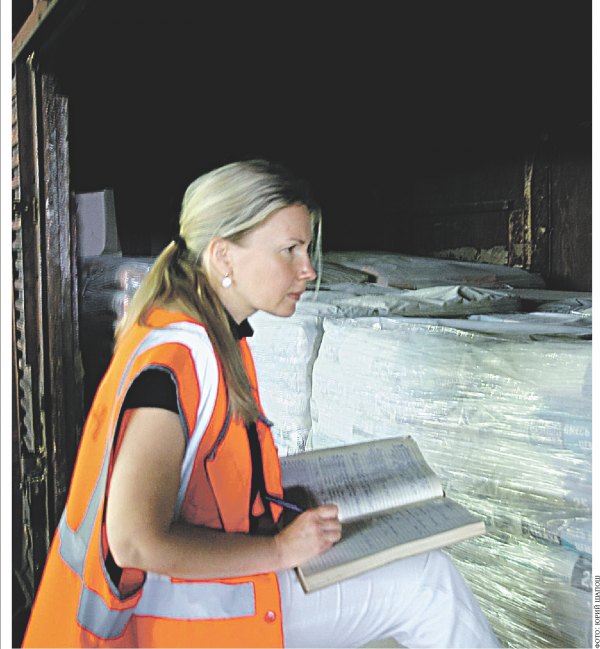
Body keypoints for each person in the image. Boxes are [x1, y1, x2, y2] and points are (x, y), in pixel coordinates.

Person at [22, 159, 500, 648]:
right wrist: (279, 550)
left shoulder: (209, 334)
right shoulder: (177, 362)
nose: (308, 269)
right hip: (173, 619)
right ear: (223, 256)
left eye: (306, 250)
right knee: (429, 584)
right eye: (290, 250)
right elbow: (134, 541)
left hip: (191, 597)